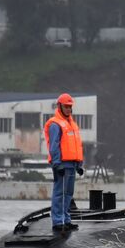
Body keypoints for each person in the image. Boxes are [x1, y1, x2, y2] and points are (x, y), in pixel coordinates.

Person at [44, 93, 84, 233]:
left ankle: (66, 220)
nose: (68, 109)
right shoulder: (55, 124)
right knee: (59, 193)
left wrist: (79, 164)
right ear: (59, 106)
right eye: (66, 106)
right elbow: (53, 146)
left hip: (72, 164)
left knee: (68, 194)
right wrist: (57, 164)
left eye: (70, 106)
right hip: (61, 164)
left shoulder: (72, 124)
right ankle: (57, 221)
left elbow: (77, 145)